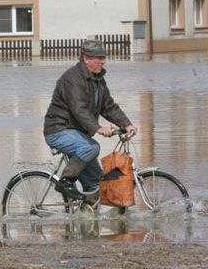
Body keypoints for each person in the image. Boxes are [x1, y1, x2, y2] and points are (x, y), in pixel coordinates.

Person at [44, 39, 138, 202]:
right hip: (58, 130)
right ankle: (65, 181)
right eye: (99, 57)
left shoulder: (98, 80)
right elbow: (78, 109)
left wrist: (126, 124)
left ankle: (86, 219)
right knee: (92, 147)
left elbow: (109, 107)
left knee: (97, 183)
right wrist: (99, 128)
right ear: (86, 58)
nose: (103, 61)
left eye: (103, 57)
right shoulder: (72, 79)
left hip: (77, 133)